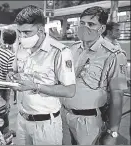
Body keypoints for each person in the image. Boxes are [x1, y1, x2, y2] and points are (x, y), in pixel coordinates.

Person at [8, 5, 76, 145]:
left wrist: (35, 86)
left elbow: (70, 90)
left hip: (46, 125)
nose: (22, 37)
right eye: (19, 32)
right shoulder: (20, 48)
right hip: (21, 121)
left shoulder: (59, 52)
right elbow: (14, 71)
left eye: (27, 32)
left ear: (40, 30)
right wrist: (12, 77)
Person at [61, 6, 128, 145]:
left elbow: (118, 96)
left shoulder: (114, 55)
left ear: (102, 29)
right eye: (82, 23)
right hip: (63, 117)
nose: (85, 27)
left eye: (91, 24)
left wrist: (113, 133)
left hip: (89, 123)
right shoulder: (72, 49)